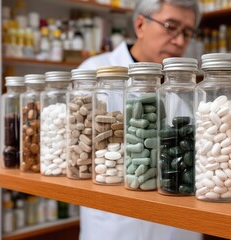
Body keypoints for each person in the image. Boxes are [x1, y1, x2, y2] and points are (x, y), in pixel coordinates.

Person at [78, 1, 202, 239]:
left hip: (177, 228)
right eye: (170, 26)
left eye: (187, 32)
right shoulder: (95, 72)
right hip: (115, 228)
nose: (179, 40)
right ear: (140, 25)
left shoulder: (188, 87)